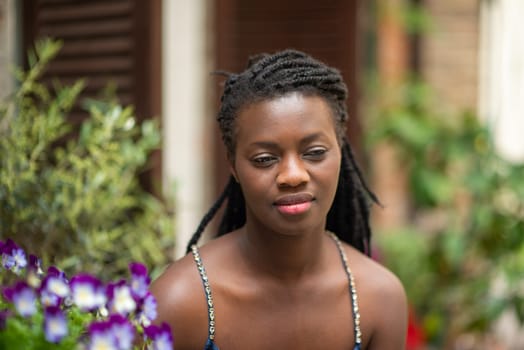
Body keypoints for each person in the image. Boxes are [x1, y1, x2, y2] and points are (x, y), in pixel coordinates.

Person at [150, 49, 408, 350]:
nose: (293, 175)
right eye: (264, 158)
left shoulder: (378, 300)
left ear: (340, 149)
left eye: (314, 153)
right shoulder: (179, 302)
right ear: (233, 165)